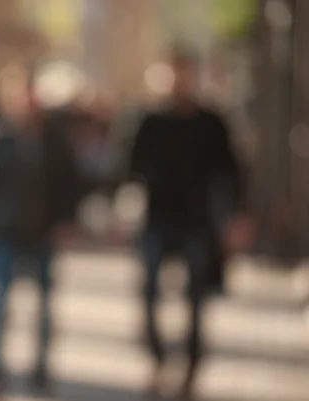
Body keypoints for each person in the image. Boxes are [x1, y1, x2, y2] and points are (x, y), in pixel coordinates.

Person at [129, 49, 248, 400]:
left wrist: (237, 215)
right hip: (157, 219)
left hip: (197, 221)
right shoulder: (149, 121)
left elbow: (233, 170)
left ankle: (191, 370)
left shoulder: (211, 122)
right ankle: (159, 359)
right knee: (149, 292)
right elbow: (130, 168)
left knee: (196, 299)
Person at [0, 64, 80, 399]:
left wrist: (66, 221)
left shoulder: (53, 136)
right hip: (2, 232)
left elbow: (68, 183)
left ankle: (41, 370)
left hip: (42, 233)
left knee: (44, 308)